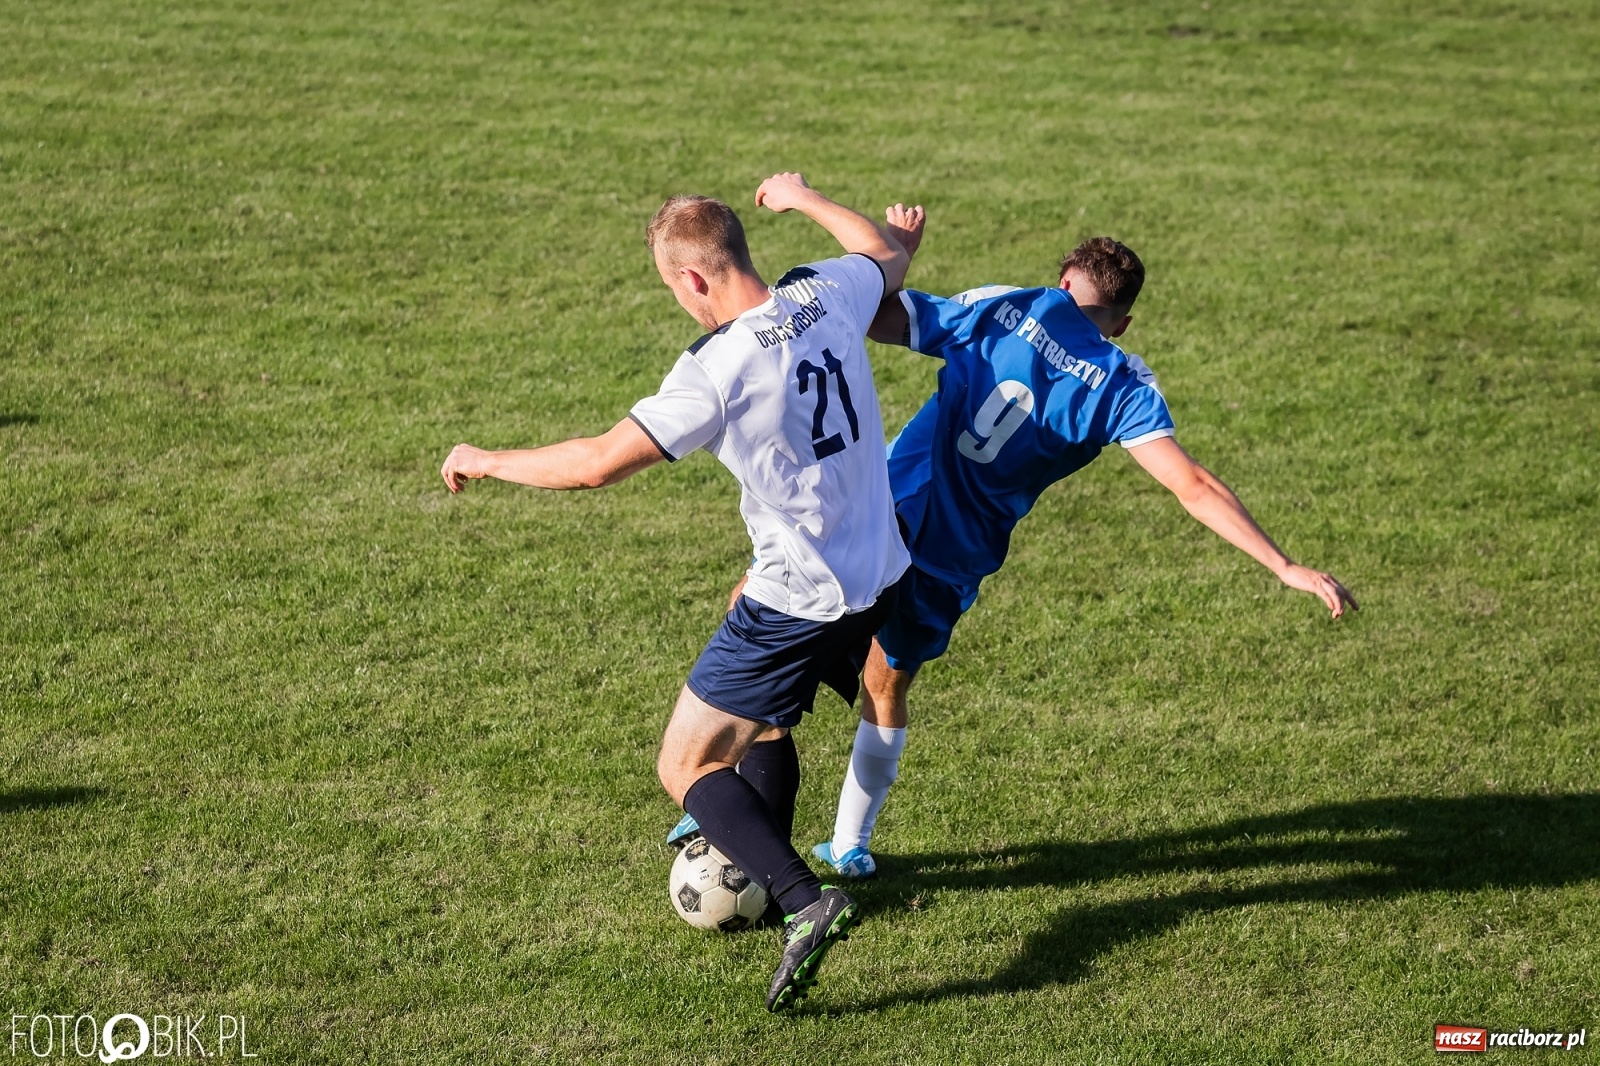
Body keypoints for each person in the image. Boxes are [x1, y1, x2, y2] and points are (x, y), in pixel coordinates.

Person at [440, 173, 910, 1011]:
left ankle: (808, 902)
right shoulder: (824, 292)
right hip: (878, 574)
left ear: (694, 278)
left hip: (799, 596)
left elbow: (594, 465)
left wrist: (484, 458)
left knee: (685, 761)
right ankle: (762, 865)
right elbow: (885, 249)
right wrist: (801, 196)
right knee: (759, 715)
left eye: (673, 290)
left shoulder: (716, 368)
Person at [808, 207, 1358, 878]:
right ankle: (850, 846)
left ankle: (724, 784)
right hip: (958, 554)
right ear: (1123, 322)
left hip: (887, 504)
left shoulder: (1007, 308)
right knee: (886, 681)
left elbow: (875, 317)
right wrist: (1283, 564)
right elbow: (1191, 484)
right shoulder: (1123, 384)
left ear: (1064, 282)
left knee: (769, 612)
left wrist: (898, 254)